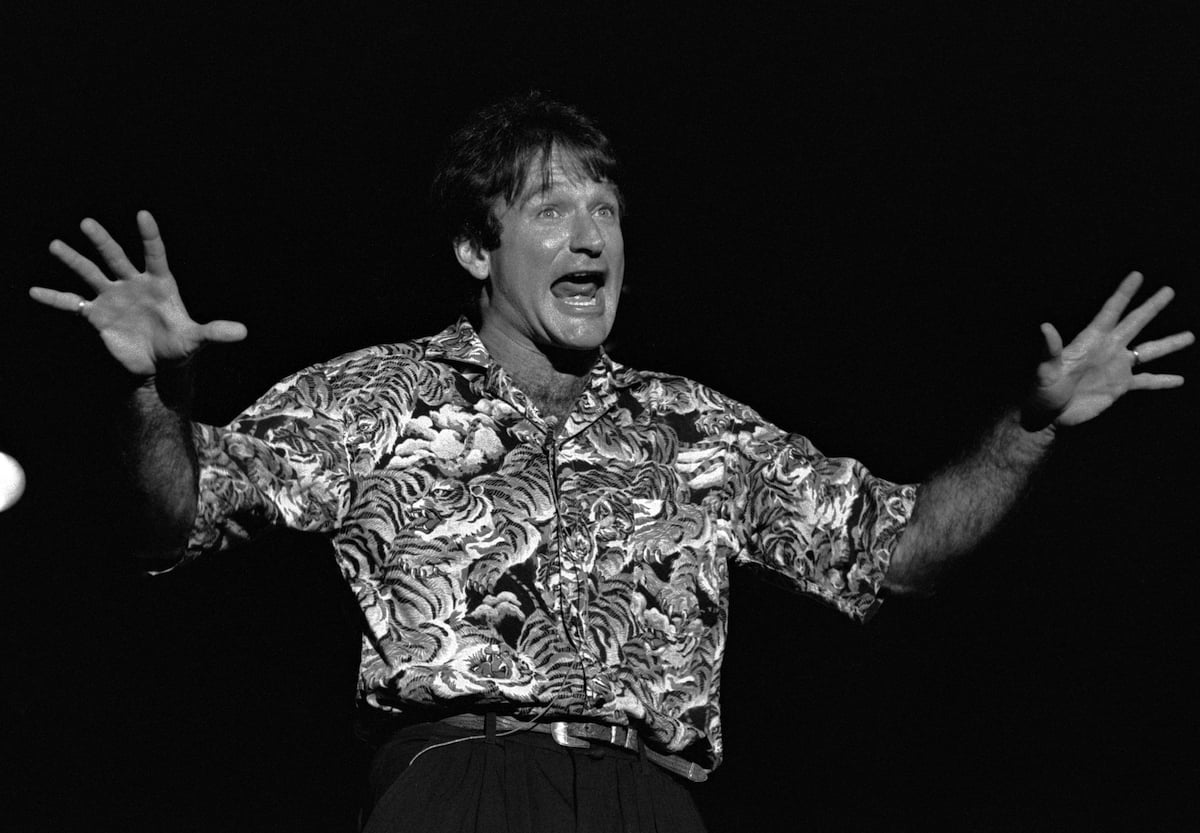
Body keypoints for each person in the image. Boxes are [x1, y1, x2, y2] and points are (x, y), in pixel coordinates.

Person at [29, 92, 1193, 832]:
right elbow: (175, 516)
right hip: (458, 788)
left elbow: (892, 553)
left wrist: (1029, 425)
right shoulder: (376, 395)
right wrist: (147, 386)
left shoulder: (694, 425)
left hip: (651, 796)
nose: (591, 234)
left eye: (607, 208)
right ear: (476, 246)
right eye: (551, 208)